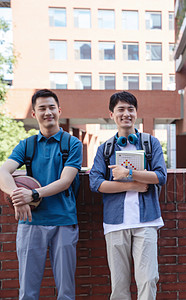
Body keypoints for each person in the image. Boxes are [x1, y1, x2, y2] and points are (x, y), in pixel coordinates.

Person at [0, 89, 82, 299]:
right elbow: (2, 171)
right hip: (30, 222)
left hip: (63, 220)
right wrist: (17, 196)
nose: (48, 112)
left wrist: (33, 194)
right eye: (42, 108)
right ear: (34, 114)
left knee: (66, 292)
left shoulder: (72, 144)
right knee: (27, 291)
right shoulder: (26, 145)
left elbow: (65, 181)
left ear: (59, 110)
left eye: (51, 107)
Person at [89, 91, 167, 300]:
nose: (126, 114)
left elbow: (160, 176)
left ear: (136, 113)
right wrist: (131, 185)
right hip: (115, 222)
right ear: (112, 114)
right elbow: (95, 183)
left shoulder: (151, 143)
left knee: (149, 279)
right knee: (119, 285)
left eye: (130, 109)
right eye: (121, 109)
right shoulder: (105, 149)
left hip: (147, 220)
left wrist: (128, 173)